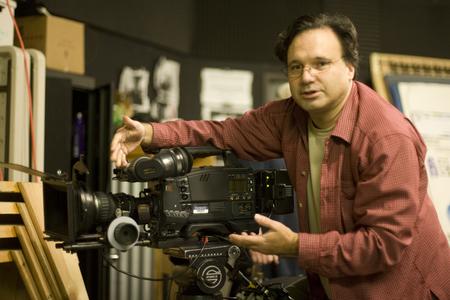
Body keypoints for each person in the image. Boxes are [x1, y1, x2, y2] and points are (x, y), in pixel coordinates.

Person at [110, 13, 450, 300]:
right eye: (296, 67)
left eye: (321, 64)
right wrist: (152, 133)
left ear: (350, 67)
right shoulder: (290, 117)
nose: (307, 77)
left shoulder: (386, 137)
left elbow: (383, 246)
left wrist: (296, 246)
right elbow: (224, 131)